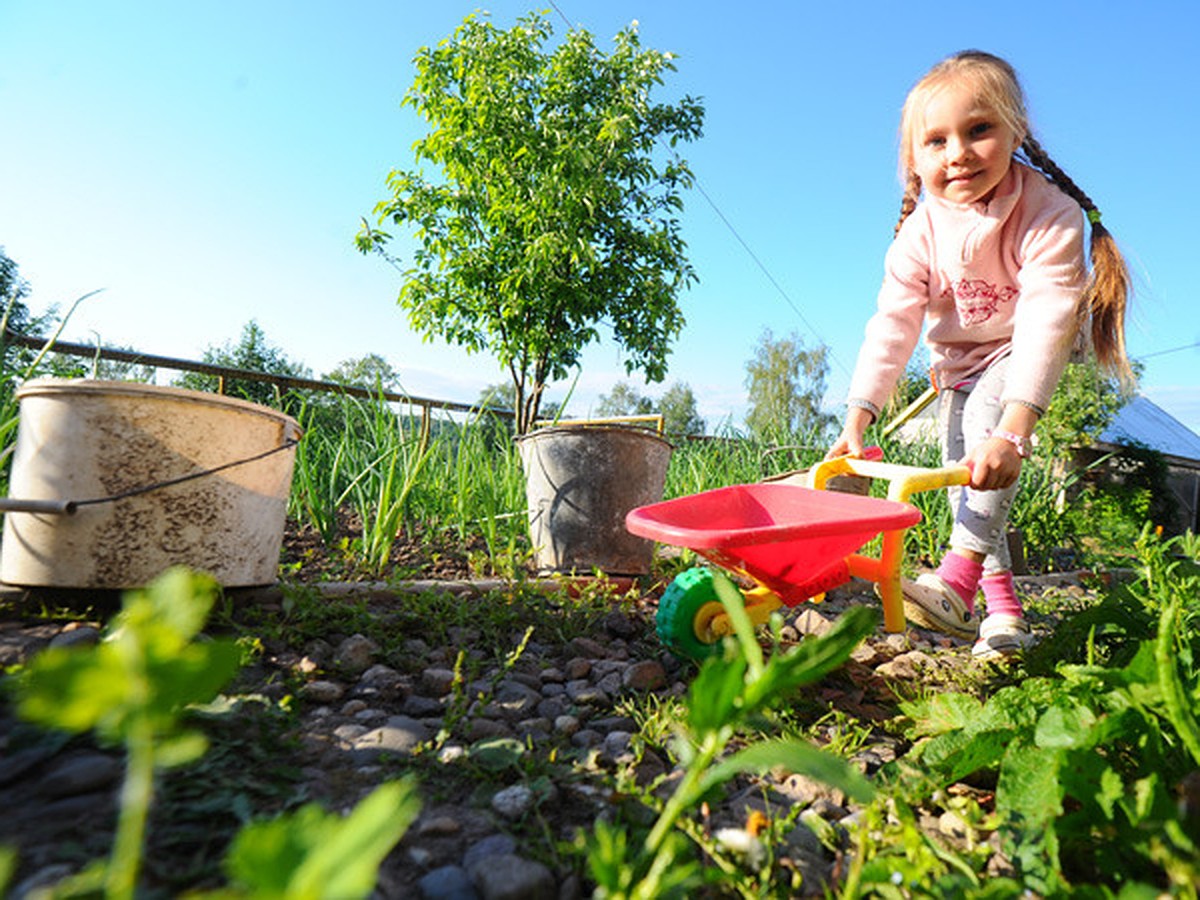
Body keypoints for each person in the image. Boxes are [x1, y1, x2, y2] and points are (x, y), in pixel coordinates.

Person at [827, 50, 1131, 660]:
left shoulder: (1048, 212)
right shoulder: (919, 233)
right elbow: (894, 322)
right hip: (958, 366)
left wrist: (1016, 430)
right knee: (965, 486)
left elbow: (1047, 316)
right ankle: (1002, 615)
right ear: (913, 159)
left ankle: (957, 582)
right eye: (935, 141)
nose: (958, 152)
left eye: (979, 130)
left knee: (987, 447)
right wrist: (859, 415)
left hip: (1021, 356)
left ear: (1017, 131)